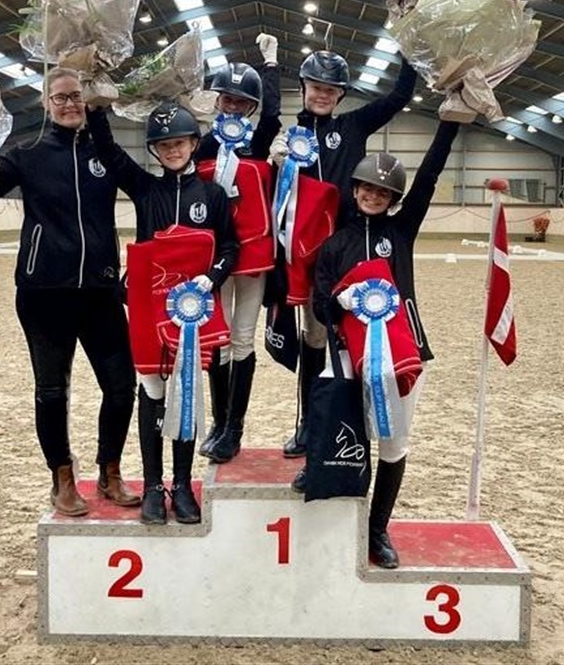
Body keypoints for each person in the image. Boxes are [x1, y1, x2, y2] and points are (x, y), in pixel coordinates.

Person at [0, 67, 140, 517]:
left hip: (100, 291)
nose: (69, 104)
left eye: (76, 96)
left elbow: (148, 188)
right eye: (60, 97)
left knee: (122, 387)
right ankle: (62, 477)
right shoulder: (27, 153)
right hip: (44, 293)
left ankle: (110, 471)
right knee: (51, 391)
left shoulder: (104, 151)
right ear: (46, 103)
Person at [309, 119, 461, 568]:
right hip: (348, 357)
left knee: (393, 444)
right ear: (355, 190)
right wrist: (340, 301)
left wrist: (450, 124)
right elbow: (320, 305)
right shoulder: (335, 245)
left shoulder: (401, 232)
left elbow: (429, 176)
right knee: (344, 435)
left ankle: (377, 529)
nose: (373, 196)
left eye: (382, 192)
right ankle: (337, 504)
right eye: (366, 189)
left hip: (403, 354)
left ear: (393, 199)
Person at [86, 100, 239, 525]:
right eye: (164, 145)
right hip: (150, 306)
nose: (172, 150)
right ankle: (154, 485)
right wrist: (96, 110)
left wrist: (213, 277)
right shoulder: (144, 188)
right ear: (154, 150)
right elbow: (109, 151)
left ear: (194, 143)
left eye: (179, 143)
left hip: (193, 310)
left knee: (186, 393)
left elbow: (230, 246)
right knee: (152, 392)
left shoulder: (212, 195)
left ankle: (183, 484)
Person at [272, 50, 418, 460]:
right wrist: (275, 163)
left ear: (341, 95)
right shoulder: (288, 138)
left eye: (331, 90)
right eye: (316, 87)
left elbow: (399, 96)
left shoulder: (353, 126)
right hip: (306, 257)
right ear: (303, 87)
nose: (322, 95)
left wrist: (407, 44)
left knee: (359, 336)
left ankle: (357, 421)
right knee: (314, 339)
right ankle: (309, 422)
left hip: (349, 251)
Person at [195, 33, 282, 464]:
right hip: (215, 255)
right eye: (227, 99)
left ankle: (235, 427)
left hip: (253, 254)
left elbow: (275, 114)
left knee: (243, 338)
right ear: (218, 101)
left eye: (241, 102)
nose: (232, 107)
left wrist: (271, 65)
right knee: (218, 339)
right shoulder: (202, 144)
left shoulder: (258, 142)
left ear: (250, 107)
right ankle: (218, 420)